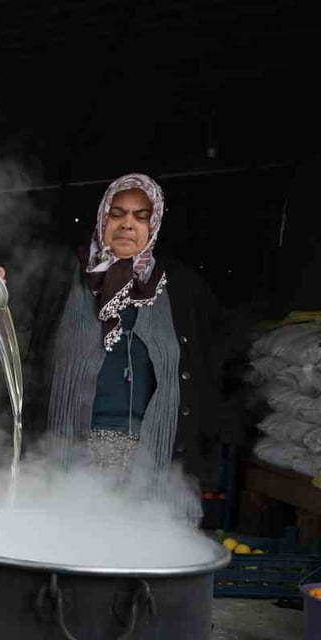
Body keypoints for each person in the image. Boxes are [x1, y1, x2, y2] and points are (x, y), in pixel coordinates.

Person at [23, 173, 227, 502]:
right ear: (102, 218)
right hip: (67, 452)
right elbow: (20, 346)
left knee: (141, 548)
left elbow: (208, 373)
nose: (128, 224)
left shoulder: (180, 288)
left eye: (141, 216)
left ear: (154, 224)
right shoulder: (61, 277)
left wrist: (203, 464)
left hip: (152, 458)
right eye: (117, 213)